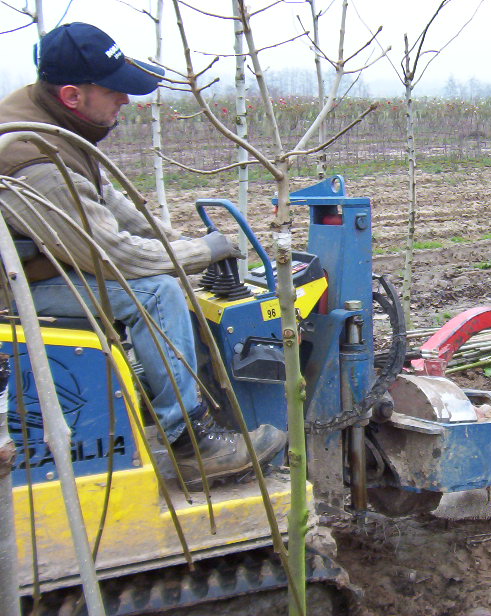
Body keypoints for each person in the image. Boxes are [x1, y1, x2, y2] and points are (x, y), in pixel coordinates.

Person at [0, 22, 285, 489]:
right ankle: (193, 444)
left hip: (35, 267)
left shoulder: (53, 119)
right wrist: (198, 253)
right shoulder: (31, 157)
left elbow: (112, 205)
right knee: (154, 292)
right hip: (13, 292)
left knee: (162, 276)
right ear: (73, 95)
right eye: (115, 91)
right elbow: (111, 256)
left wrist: (185, 245)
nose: (126, 102)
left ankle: (166, 396)